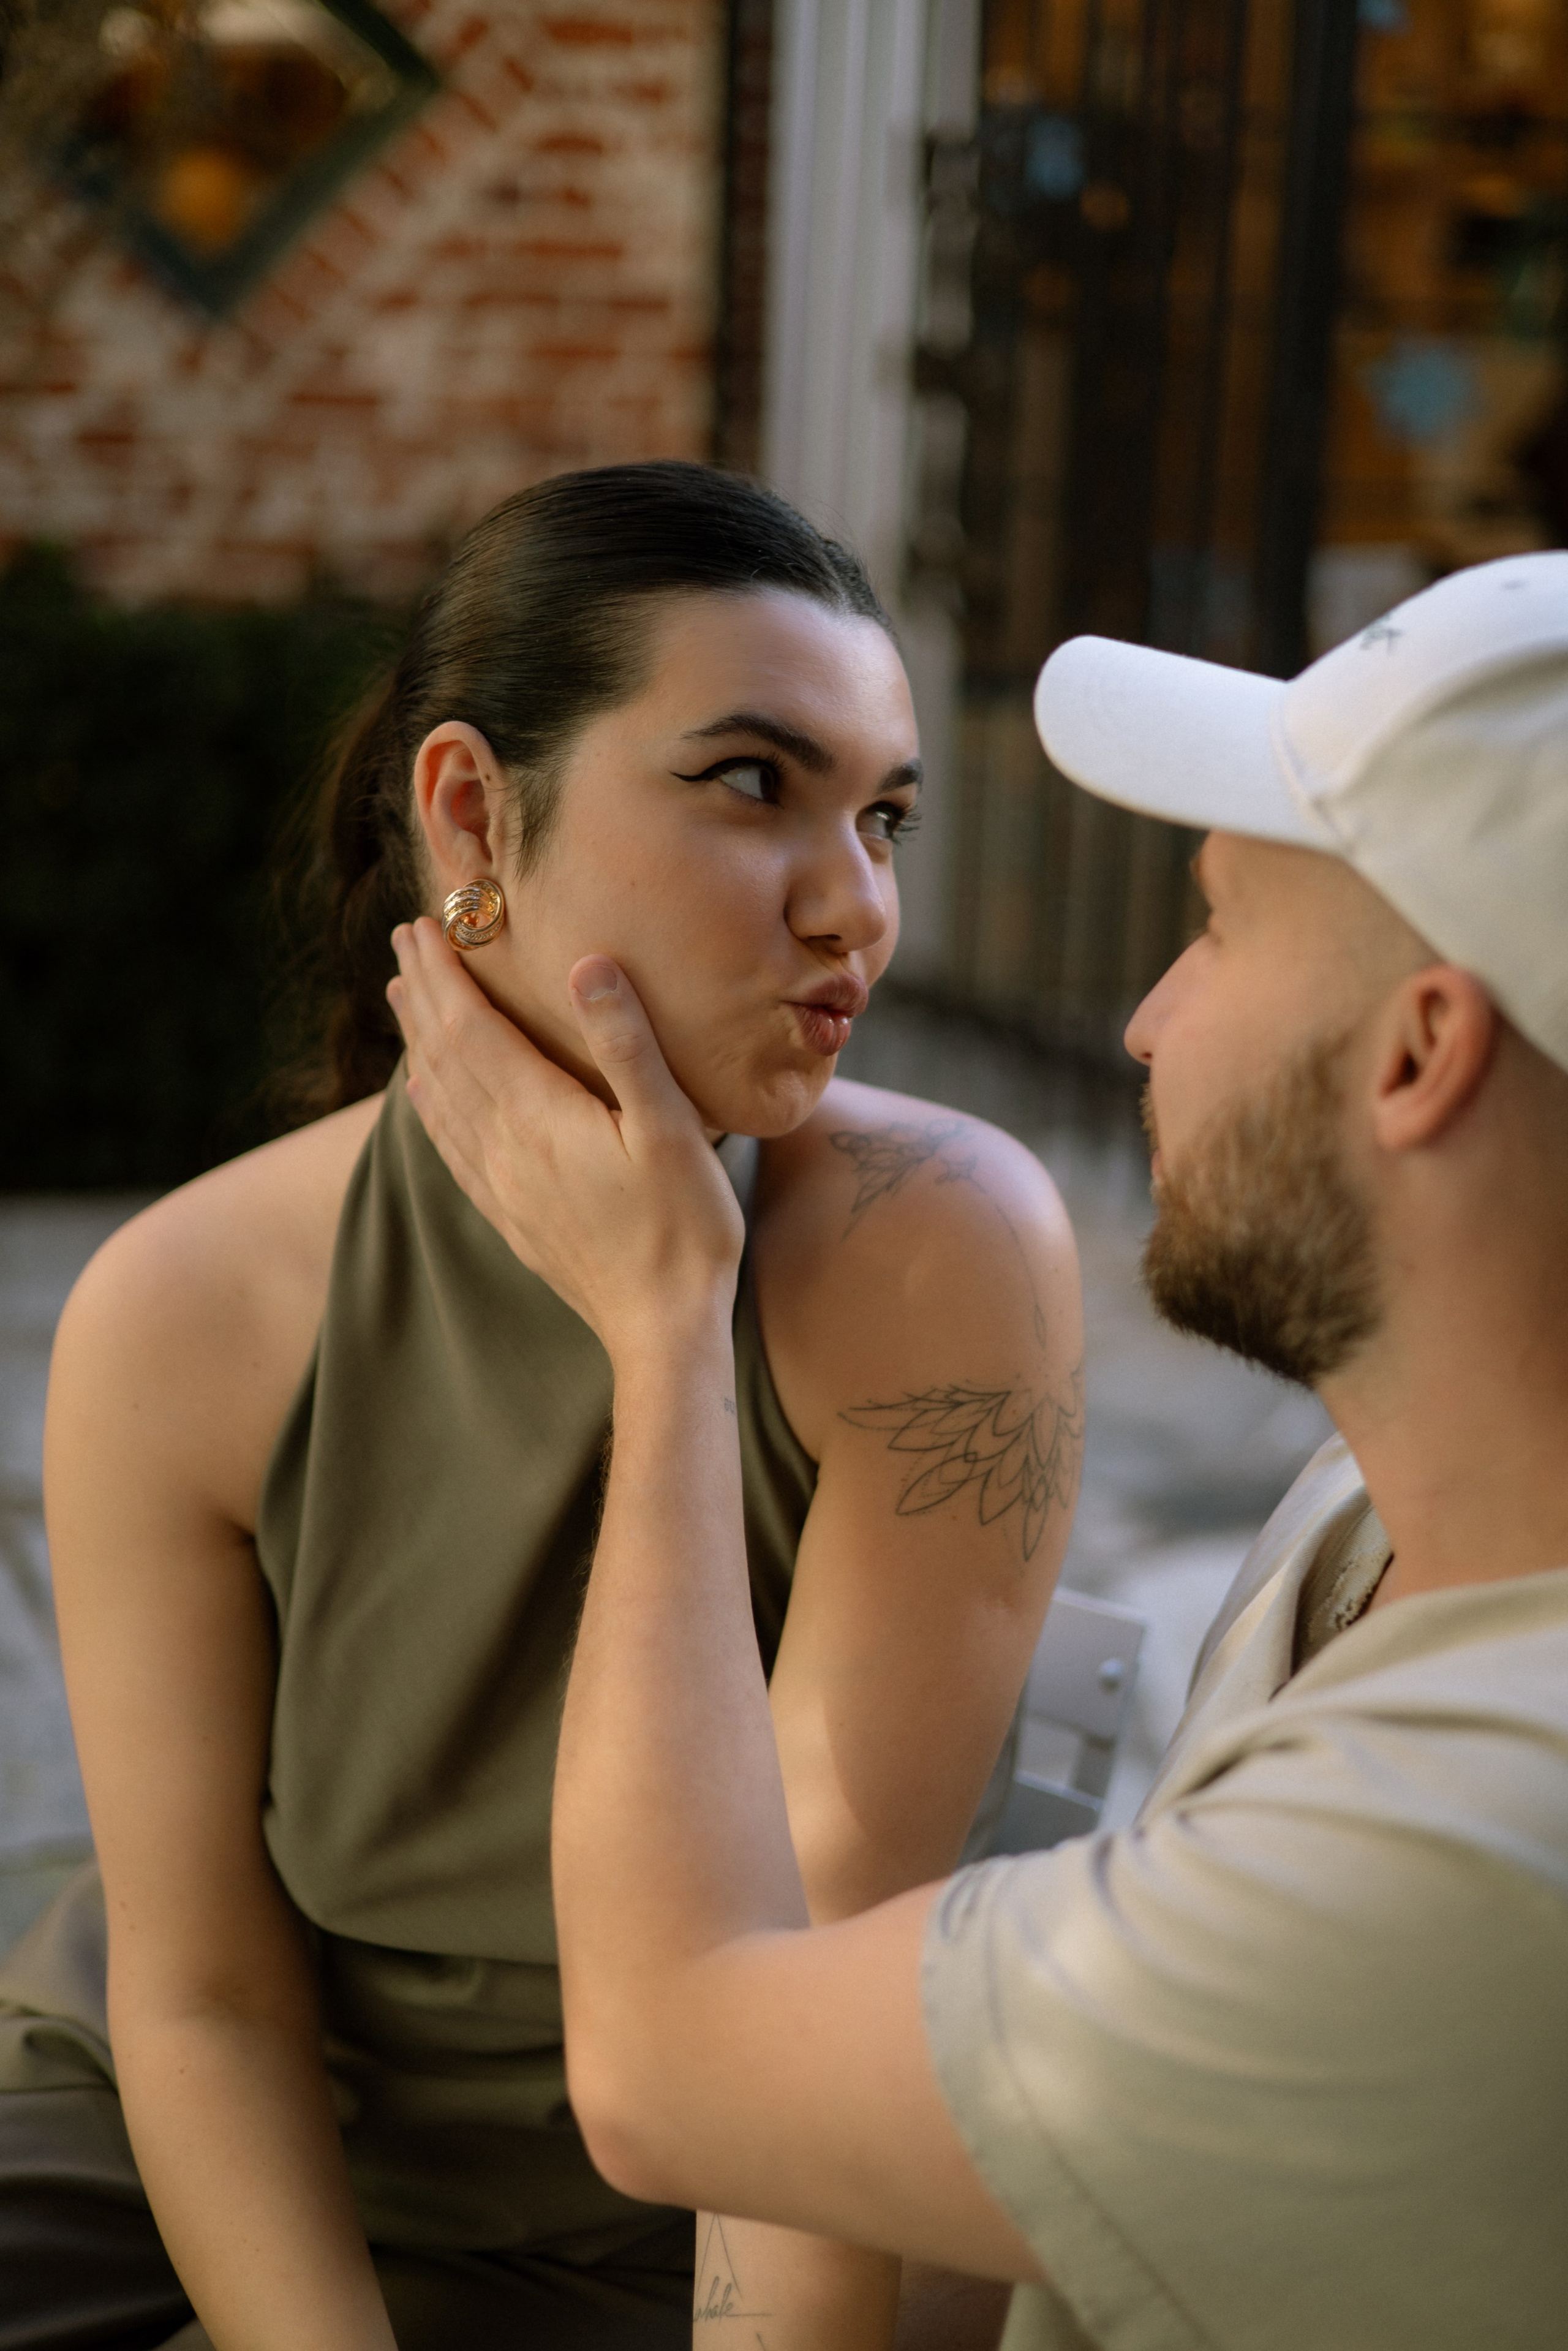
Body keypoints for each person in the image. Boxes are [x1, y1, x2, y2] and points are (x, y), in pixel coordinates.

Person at [387, 550, 1568, 2351]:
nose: (1145, 1019)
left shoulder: (1453, 1858)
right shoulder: (1379, 1509)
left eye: (1220, 926)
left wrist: (660, 1325)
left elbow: (672, 2063)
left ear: (1421, 1054)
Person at [0, 462, 1083, 2350]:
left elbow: (803, 2019)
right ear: (470, 812)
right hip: (247, 2172)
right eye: (755, 783)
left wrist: (669, 1328)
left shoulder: (939, 1250)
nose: (859, 908)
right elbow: (203, 2004)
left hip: (761, 2216)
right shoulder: (179, 1316)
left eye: (886, 816)